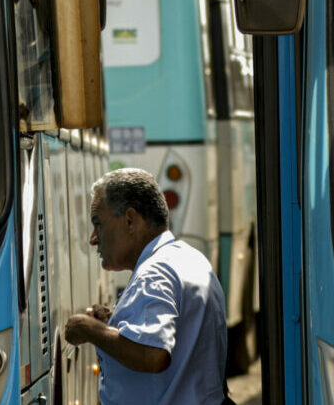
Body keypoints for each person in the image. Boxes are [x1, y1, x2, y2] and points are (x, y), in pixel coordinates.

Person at [63, 167, 229, 405]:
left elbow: (153, 354)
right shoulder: (188, 258)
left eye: (98, 224)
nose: (93, 238)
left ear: (130, 220)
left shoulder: (154, 272)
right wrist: (115, 325)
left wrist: (89, 329)